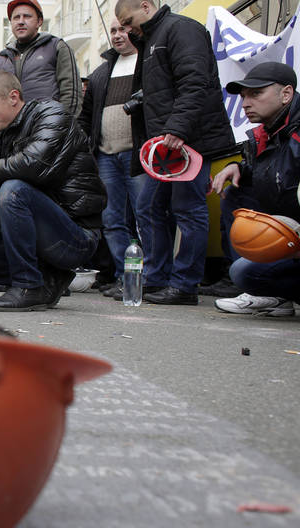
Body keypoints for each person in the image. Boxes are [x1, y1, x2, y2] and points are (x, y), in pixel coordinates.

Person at [0, 71, 106, 311]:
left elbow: (34, 165)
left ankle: (28, 286)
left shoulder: (53, 115)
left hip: (75, 237)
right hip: (39, 236)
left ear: (13, 97)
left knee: (13, 189)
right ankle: (50, 279)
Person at [114, 0, 236, 305]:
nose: (127, 30)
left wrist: (178, 129)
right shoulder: (154, 38)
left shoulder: (181, 30)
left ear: (146, 6)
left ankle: (184, 284)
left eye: (128, 21)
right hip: (165, 143)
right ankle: (155, 278)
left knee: (187, 209)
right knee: (148, 208)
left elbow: (195, 82)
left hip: (186, 140)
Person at [210, 62, 300, 317]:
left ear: (286, 94)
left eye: (256, 94)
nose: (246, 103)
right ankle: (274, 297)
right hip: (291, 243)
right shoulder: (265, 135)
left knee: (243, 272)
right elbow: (275, 173)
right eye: (243, 97)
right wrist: (238, 167)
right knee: (235, 194)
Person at [78, 18, 146, 300]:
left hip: (139, 154)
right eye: (114, 30)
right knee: (112, 219)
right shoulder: (100, 72)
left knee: (146, 217)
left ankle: (150, 277)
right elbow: (86, 116)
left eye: (124, 29)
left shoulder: (149, 66)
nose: (118, 35)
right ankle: (123, 277)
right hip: (106, 155)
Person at [0, 0, 82, 116]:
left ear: (39, 22)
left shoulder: (56, 47)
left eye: (27, 16)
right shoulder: (1, 60)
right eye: (16, 18)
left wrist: (61, 128)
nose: (21, 22)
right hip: (11, 132)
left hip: (48, 128)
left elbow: (71, 94)